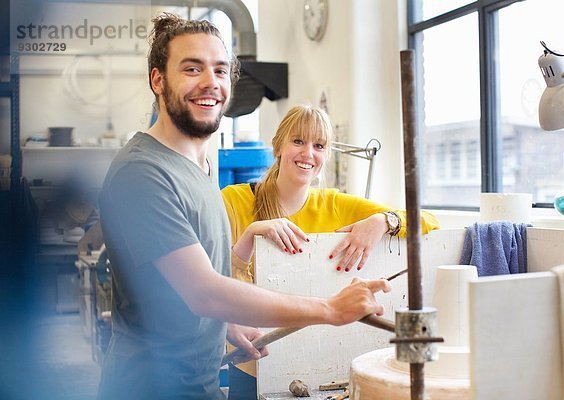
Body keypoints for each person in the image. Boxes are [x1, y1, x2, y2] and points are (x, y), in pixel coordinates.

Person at [96, 14, 391, 400]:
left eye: (220, 70)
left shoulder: (198, 168)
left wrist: (224, 324)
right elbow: (205, 292)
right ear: (158, 80)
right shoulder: (143, 172)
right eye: (192, 68)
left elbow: (188, 294)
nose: (210, 82)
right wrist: (330, 309)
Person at [221, 104, 440, 399]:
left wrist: (383, 221)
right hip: (251, 360)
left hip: (315, 364)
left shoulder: (337, 205)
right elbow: (214, 280)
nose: (308, 153)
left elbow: (428, 220)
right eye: (298, 141)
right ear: (278, 147)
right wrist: (250, 234)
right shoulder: (233, 200)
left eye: (319, 145)